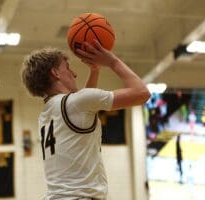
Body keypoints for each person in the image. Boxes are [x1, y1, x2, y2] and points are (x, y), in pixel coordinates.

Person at [21, 40, 150, 200]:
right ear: (55, 73)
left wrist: (95, 71)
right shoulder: (75, 103)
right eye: (67, 67)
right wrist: (112, 61)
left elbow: (85, 108)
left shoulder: (47, 112)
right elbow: (142, 93)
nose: (74, 74)